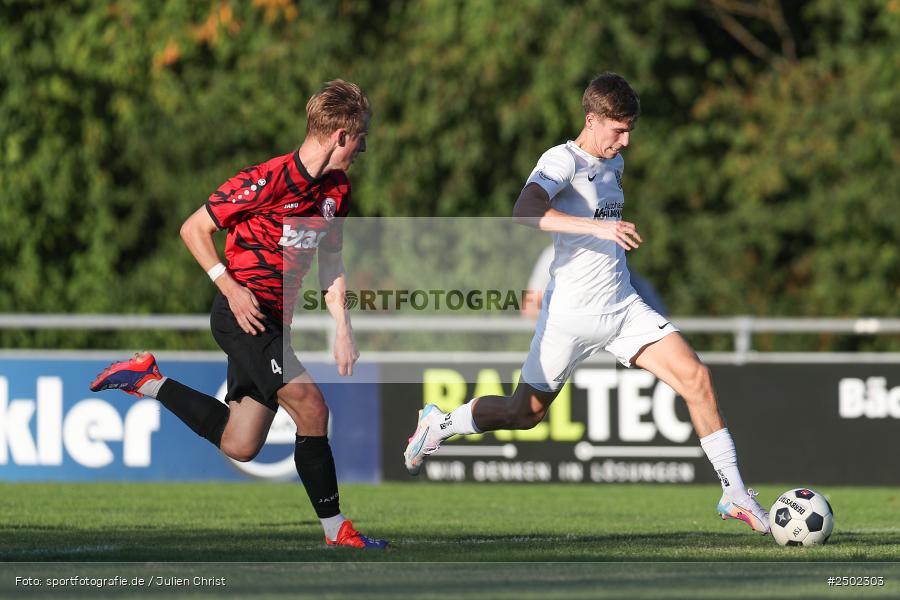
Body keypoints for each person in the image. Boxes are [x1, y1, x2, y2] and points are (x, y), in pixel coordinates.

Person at [404, 72, 770, 534]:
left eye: (630, 130)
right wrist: (599, 228)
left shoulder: (613, 163)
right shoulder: (562, 159)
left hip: (622, 309)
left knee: (696, 376)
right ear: (592, 120)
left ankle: (734, 493)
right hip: (569, 318)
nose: (626, 140)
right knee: (524, 414)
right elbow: (524, 211)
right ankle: (441, 423)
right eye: (618, 130)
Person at [91, 80, 388, 549]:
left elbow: (330, 261)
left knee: (240, 443)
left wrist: (343, 326)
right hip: (244, 316)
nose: (364, 147)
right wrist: (229, 287)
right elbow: (193, 229)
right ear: (341, 136)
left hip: (276, 324)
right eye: (362, 136)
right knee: (312, 408)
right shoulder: (267, 179)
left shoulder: (336, 192)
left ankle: (147, 380)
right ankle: (338, 531)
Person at [521, 244, 667, 319]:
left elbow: (653, 309)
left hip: (609, 354)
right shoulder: (552, 255)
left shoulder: (611, 256)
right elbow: (529, 307)